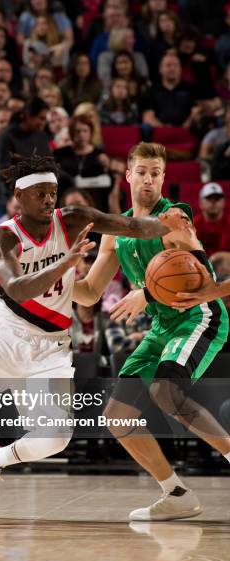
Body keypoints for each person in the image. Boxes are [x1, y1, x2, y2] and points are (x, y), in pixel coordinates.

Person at [0, 152, 187, 527]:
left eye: (53, 192)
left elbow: (128, 226)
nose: (50, 200)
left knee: (56, 439)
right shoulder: (2, 237)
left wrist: (168, 224)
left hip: (50, 348)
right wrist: (66, 264)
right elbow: (16, 287)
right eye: (41, 194)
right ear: (19, 195)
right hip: (2, 338)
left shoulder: (73, 219)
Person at [74, 142, 230, 521]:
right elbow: (91, 293)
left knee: (165, 390)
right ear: (127, 175)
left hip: (198, 318)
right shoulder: (115, 230)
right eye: (141, 171)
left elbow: (203, 276)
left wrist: (147, 291)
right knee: (117, 414)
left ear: (163, 178)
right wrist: (60, 277)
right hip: (162, 328)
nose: (148, 179)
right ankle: (175, 492)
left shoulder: (174, 218)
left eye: (155, 173)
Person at [193, 183, 230, 257]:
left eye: (217, 199)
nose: (213, 202)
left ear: (224, 202)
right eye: (209, 198)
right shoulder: (192, 225)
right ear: (200, 203)